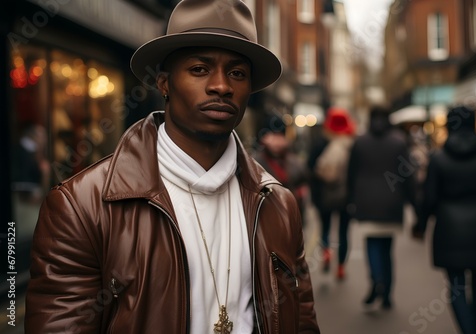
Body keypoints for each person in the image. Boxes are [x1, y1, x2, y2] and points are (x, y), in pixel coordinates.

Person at [24, 1, 320, 333]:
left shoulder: (279, 204)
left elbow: (301, 320)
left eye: (237, 73)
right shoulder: (82, 206)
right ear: (164, 84)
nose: (221, 86)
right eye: (199, 69)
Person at [412, 106, 476, 334]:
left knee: (457, 287)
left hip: (450, 231)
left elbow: (429, 198)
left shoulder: (439, 159)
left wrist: (420, 225)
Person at [346, 106, 418, 309]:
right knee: (387, 249)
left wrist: (350, 200)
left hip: (366, 202)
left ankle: (376, 280)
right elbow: (407, 176)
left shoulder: (360, 142)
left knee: (372, 245)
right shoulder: (399, 142)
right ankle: (386, 293)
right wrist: (415, 206)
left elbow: (351, 174)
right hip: (392, 203)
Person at [307, 107, 356, 279]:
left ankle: (327, 251)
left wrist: (314, 195)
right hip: (346, 197)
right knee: (343, 232)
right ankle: (341, 266)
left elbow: (310, 168)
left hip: (324, 196)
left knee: (325, 228)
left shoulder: (320, 142)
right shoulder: (351, 144)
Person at [253, 114, 309, 222]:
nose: (277, 141)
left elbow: (303, 183)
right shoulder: (255, 163)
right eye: (273, 136)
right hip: (265, 220)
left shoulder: (294, 162)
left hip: (292, 218)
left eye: (280, 136)